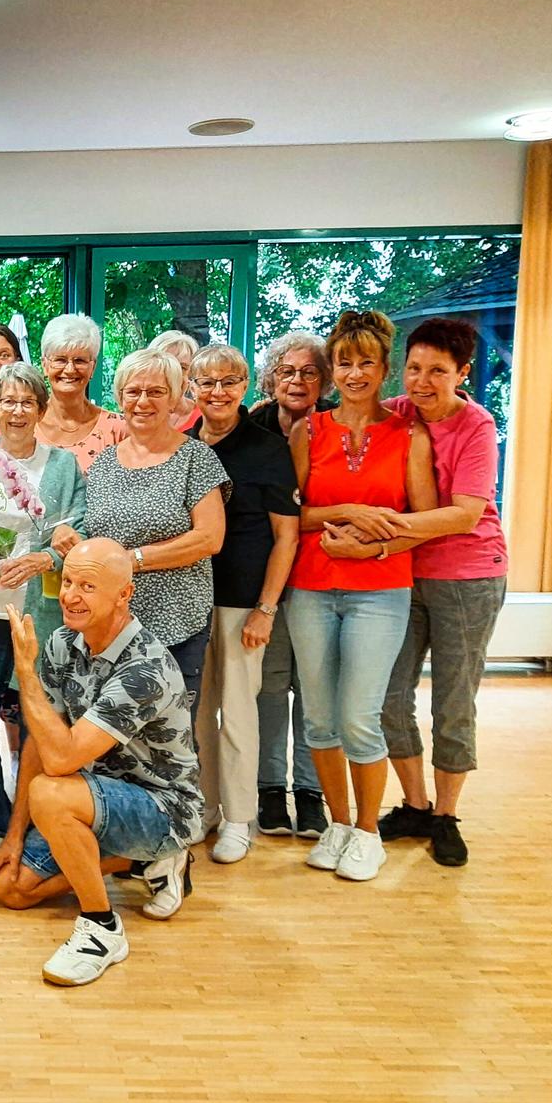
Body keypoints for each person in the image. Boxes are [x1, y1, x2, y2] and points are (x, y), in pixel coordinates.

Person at [0, 539, 204, 988]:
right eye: (67, 582)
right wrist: (13, 835)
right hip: (93, 799)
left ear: (124, 595)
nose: (70, 596)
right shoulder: (63, 643)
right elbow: (40, 741)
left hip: (164, 809)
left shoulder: (145, 668)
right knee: (10, 887)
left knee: (51, 791)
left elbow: (61, 758)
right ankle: (137, 864)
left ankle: (102, 927)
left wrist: (25, 674)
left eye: (87, 586)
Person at [284, 310, 435, 883]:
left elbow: (422, 521)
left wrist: (373, 548)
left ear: (383, 368)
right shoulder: (309, 432)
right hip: (311, 589)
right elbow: (292, 516)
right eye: (344, 363)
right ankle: (339, 825)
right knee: (319, 719)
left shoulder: (409, 436)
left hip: (380, 592)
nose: (354, 373)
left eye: (365, 362)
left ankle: (369, 832)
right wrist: (348, 510)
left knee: (359, 717)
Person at [362, 319, 508, 868]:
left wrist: (380, 530)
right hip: (404, 575)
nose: (422, 382)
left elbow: (465, 514)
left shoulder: (477, 426)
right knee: (389, 697)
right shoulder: (397, 413)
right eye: (414, 368)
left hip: (469, 577)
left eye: (438, 372)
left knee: (453, 701)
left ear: (462, 373)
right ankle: (416, 805)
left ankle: (447, 815)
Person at [0, 363, 87, 872]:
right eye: (7, 400)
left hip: (38, 616)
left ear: (41, 409)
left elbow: (78, 527)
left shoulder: (63, 465)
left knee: (37, 722)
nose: (17, 410)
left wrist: (45, 558)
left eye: (27, 401)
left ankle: (28, 824)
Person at [185, 345, 300, 864]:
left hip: (243, 605)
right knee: (194, 714)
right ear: (191, 388)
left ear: (246, 385)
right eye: (207, 382)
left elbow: (287, 537)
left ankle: (238, 818)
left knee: (237, 714)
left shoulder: (268, 448)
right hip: (188, 601)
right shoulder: (184, 446)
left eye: (229, 381)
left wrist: (266, 609)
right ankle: (206, 806)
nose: (218, 392)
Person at [83, 345, 228, 710]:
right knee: (108, 730)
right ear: (120, 398)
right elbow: (94, 535)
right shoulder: (104, 464)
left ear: (175, 398)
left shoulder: (197, 458)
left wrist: (133, 560)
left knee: (170, 732)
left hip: (177, 623)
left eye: (156, 391)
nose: (143, 401)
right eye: (133, 391)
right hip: (111, 625)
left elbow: (209, 538)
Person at [247, 331, 335, 839]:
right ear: (271, 377)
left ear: (324, 380)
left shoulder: (335, 425)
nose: (297, 381)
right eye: (286, 371)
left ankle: (310, 790)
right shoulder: (253, 426)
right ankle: (268, 789)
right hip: (266, 575)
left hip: (324, 572)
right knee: (271, 685)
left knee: (314, 685)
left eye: (309, 372)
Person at [36, 314, 126, 471]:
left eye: (80, 361)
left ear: (93, 367)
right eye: (60, 360)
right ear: (45, 365)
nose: (70, 370)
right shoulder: (26, 425)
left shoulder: (118, 429)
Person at [147, 330, 201, 431]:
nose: (174, 375)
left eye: (182, 368)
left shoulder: (206, 418)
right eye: (166, 366)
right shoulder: (137, 415)